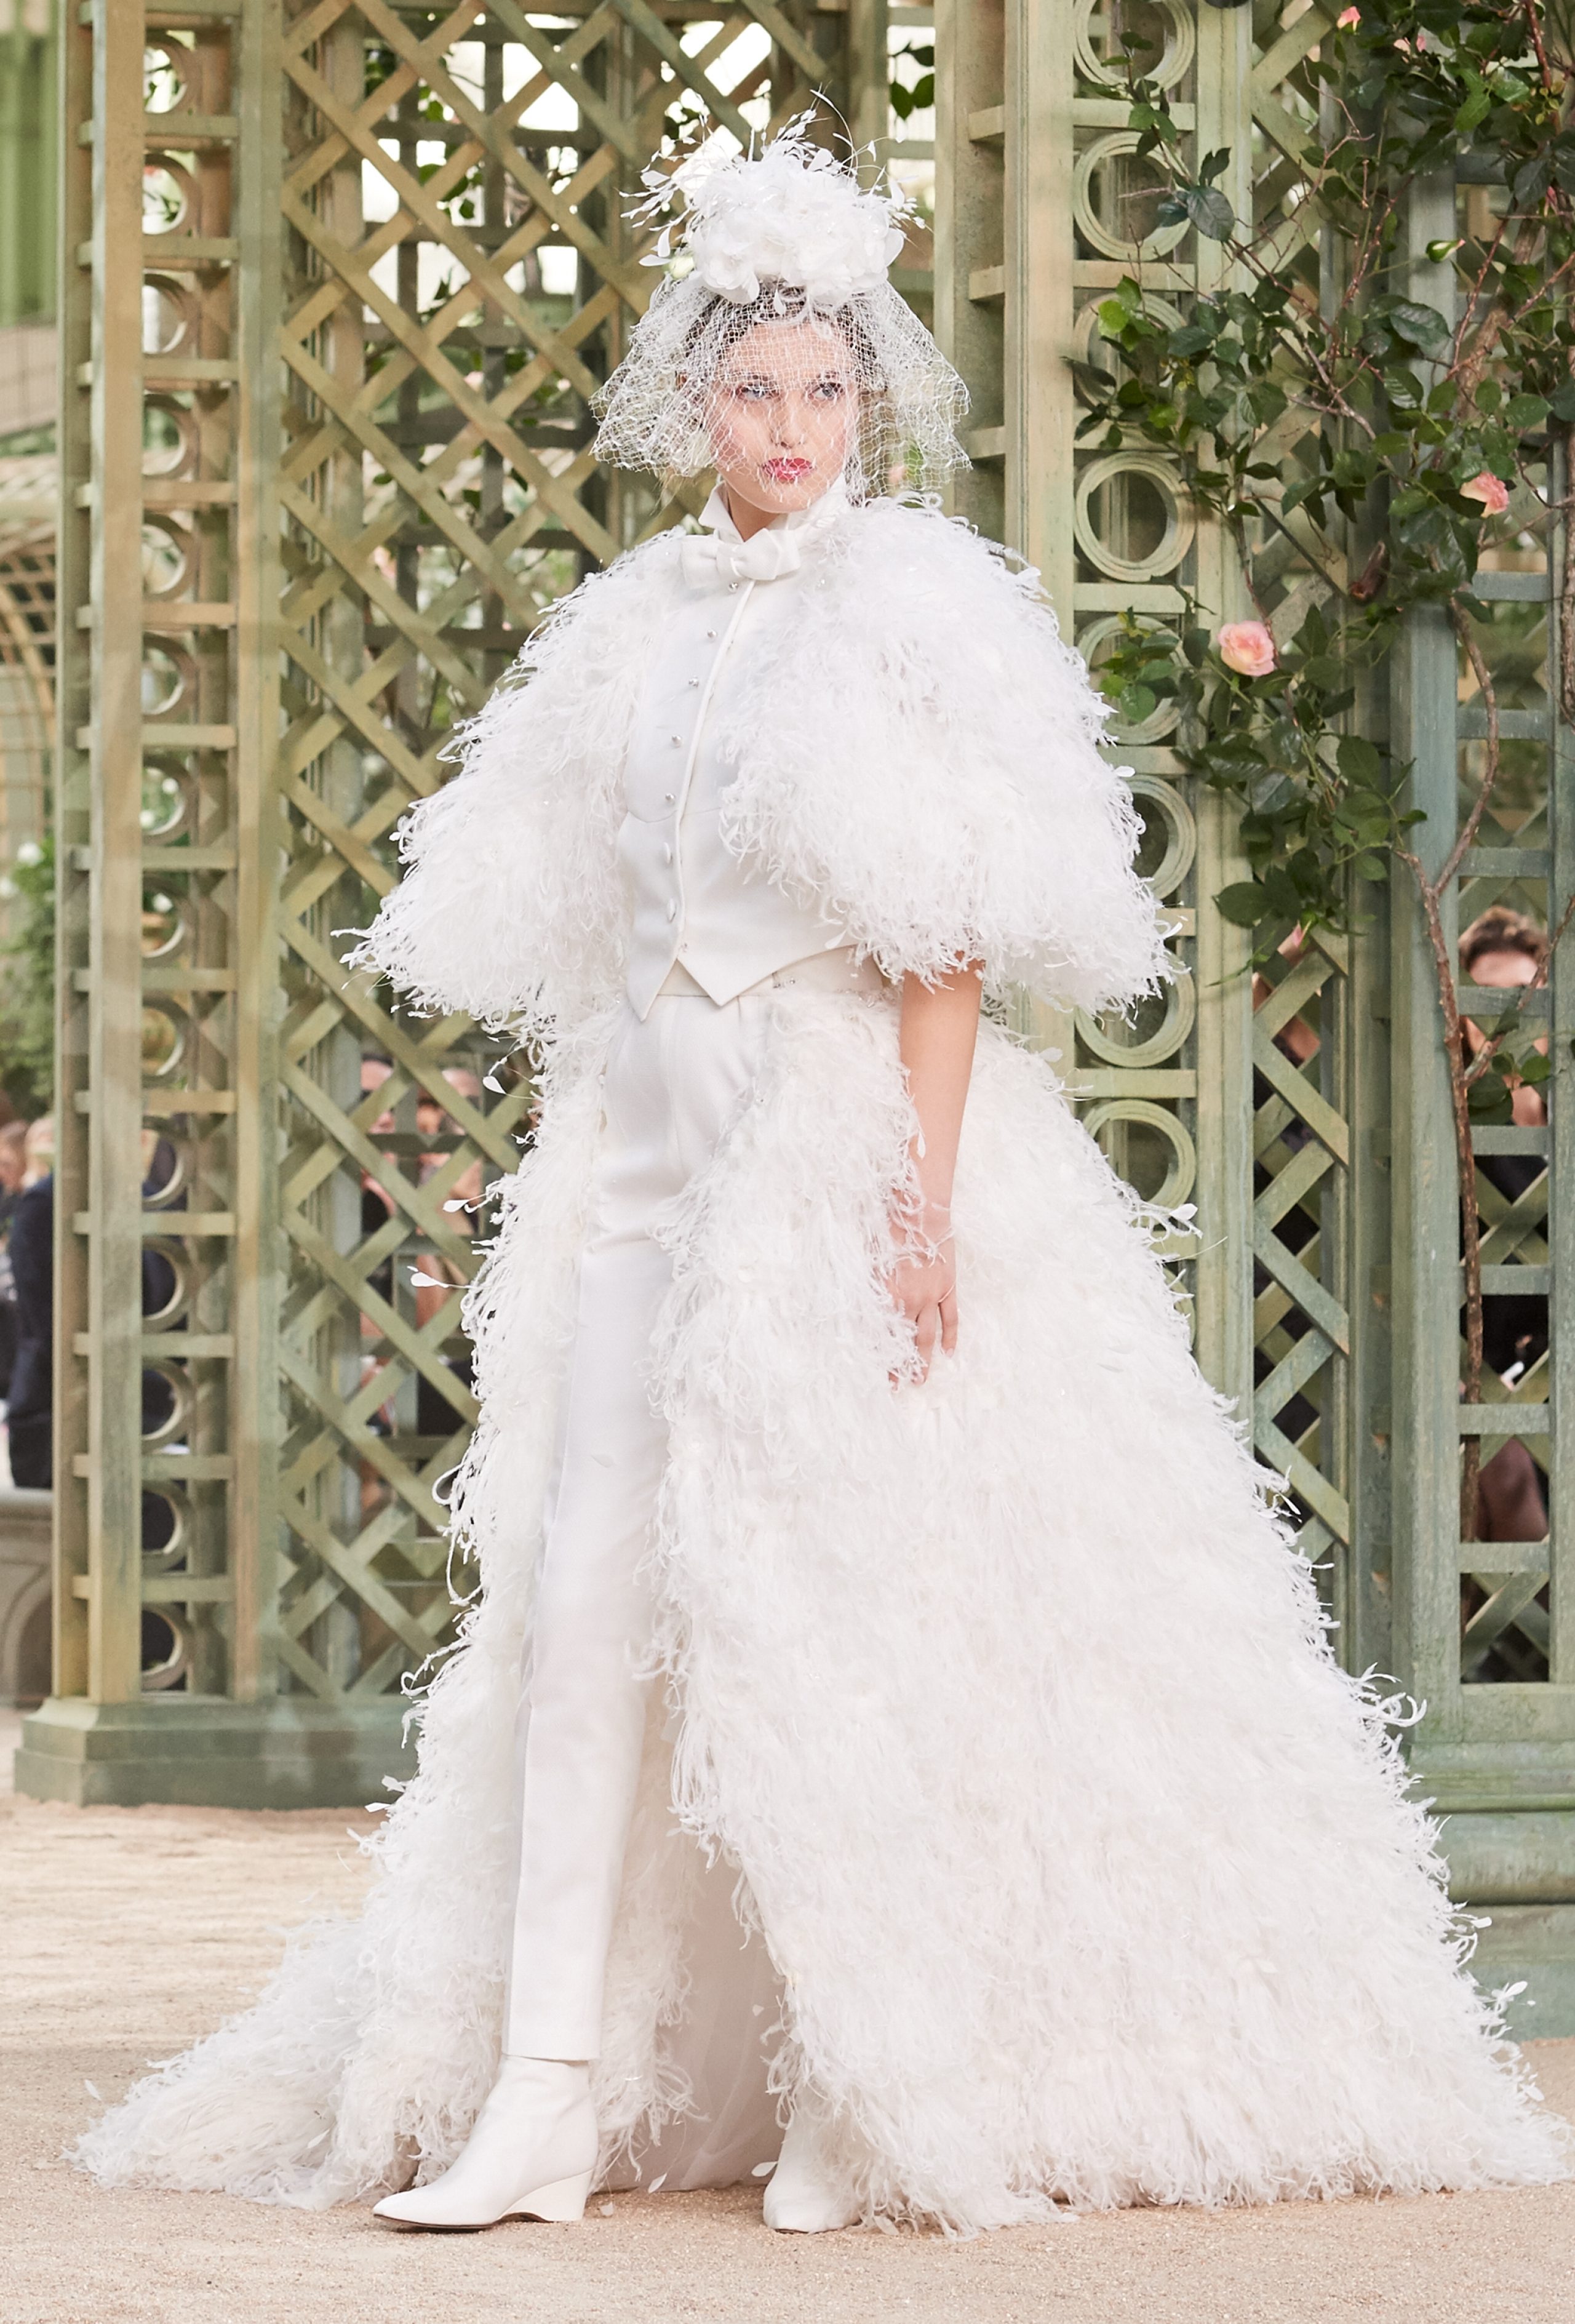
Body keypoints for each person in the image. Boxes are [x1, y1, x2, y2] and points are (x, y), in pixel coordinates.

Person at [76, 127, 1569, 2232]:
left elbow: (943, 941)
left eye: (827, 388)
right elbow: (586, 911)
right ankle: (546, 2082)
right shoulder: (633, 622)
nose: (792, 426)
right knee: (585, 1605)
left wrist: (919, 1202)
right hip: (642, 1154)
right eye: (756, 388)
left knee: (851, 1613)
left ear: (869, 399)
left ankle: (876, 2076)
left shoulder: (918, 608)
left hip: (838, 1140)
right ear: (697, 400)